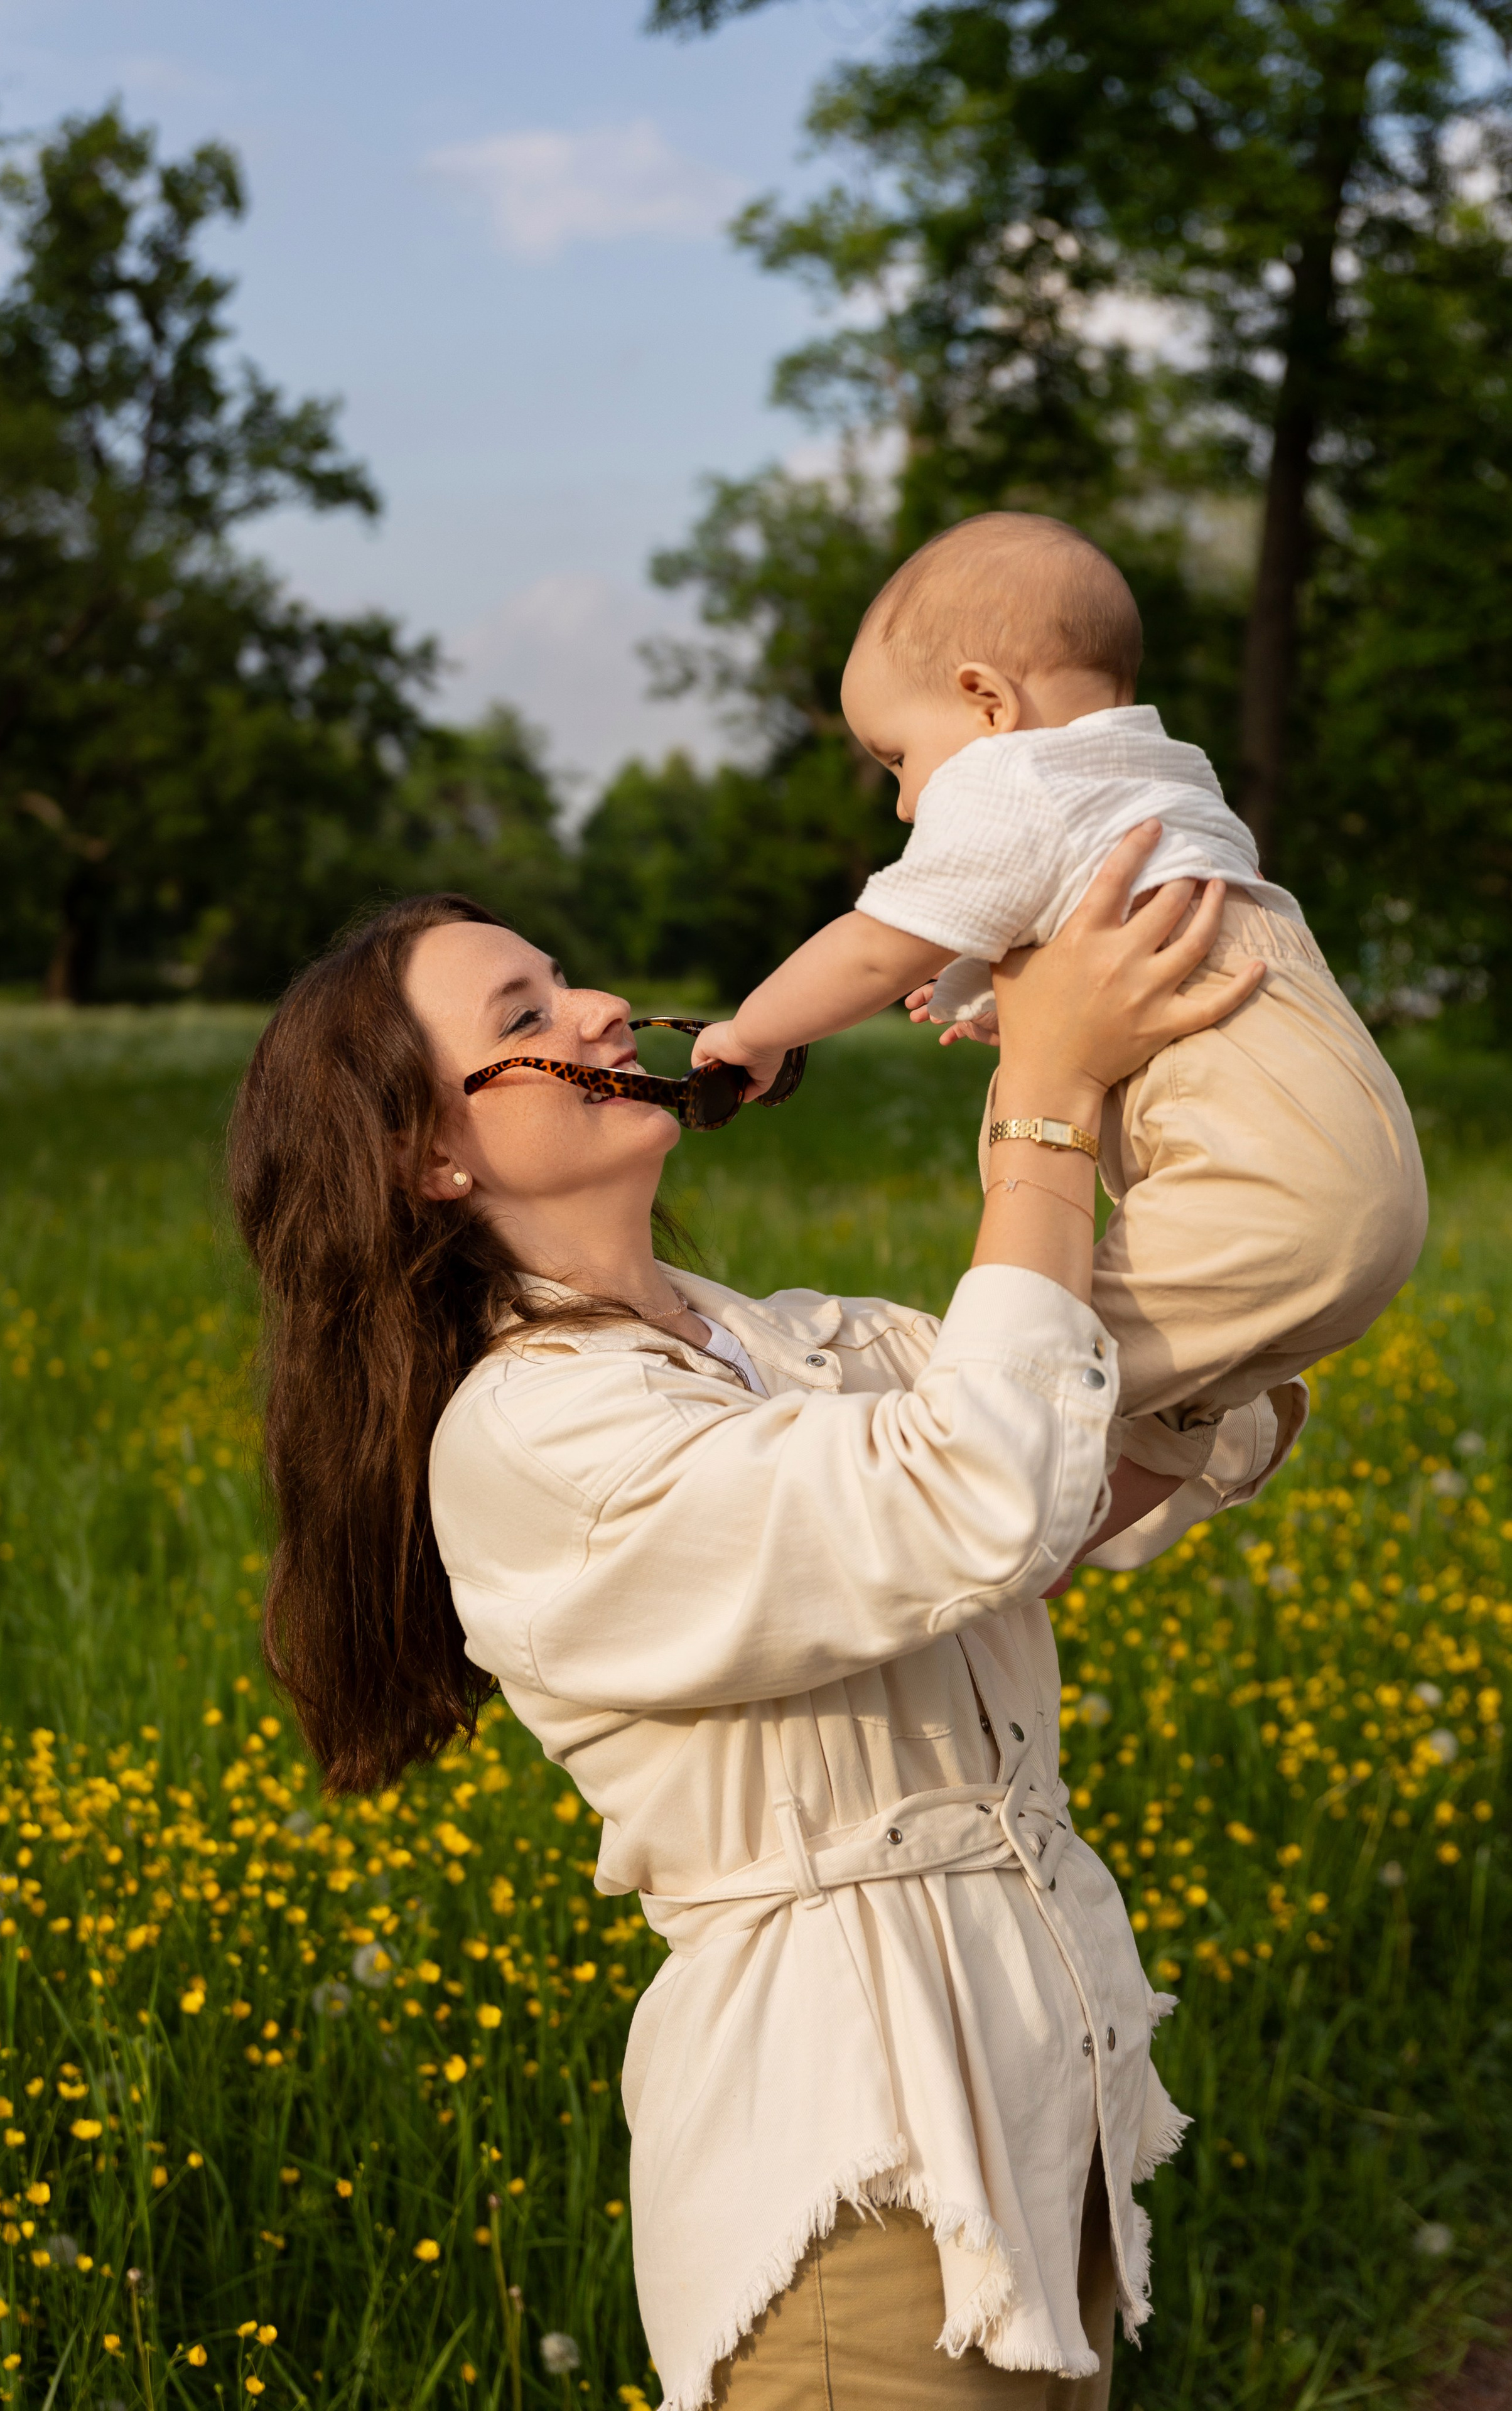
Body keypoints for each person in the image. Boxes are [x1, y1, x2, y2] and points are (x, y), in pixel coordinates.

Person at [227, 831, 1302, 2411]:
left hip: (1034, 2116)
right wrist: (1044, 1105)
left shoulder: (792, 1346)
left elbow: (1101, 1454)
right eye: (524, 1012)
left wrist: (1154, 1090)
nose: (599, 1009)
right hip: (851, 2167)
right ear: (428, 1159)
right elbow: (985, 1486)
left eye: (565, 978)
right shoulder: (537, 1438)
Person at [689, 511, 1427, 1499]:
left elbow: (871, 948)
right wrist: (1003, 995)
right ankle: (1085, 1508)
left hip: (1253, 1179)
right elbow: (1137, 929)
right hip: (1354, 1162)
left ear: (987, 702)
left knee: (1010, 1380)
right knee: (1147, 1396)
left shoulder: (1012, 776)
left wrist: (752, 1030)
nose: (903, 803)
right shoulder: (1166, 773)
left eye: (899, 758)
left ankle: (896, 1483)